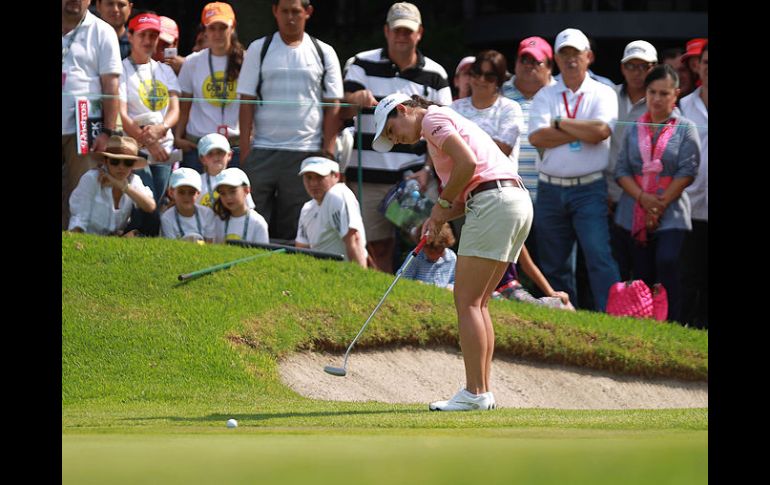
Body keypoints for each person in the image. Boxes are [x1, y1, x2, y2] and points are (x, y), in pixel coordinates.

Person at [372, 93, 533, 411]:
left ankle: (474, 392)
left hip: (494, 202)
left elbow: (468, 165)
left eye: (392, 131)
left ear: (403, 110)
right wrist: (438, 217)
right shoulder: (439, 131)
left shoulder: (432, 119)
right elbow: (463, 188)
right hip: (511, 201)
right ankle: (482, 391)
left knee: (467, 301)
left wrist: (441, 206)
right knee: (480, 303)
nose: (398, 140)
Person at [342, 2, 452, 273]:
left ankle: (430, 297)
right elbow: (340, 110)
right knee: (376, 248)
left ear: (419, 33)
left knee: (431, 242)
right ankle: (382, 303)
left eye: (408, 31)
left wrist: (428, 170)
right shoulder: (361, 64)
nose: (402, 36)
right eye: (397, 30)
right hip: (367, 178)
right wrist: (353, 99)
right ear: (386, 31)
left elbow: (446, 129)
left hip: (413, 178)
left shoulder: (436, 75)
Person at [528, 27, 620, 312]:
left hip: (589, 188)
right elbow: (537, 137)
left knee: (598, 256)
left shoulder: (603, 92)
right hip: (550, 187)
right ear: (556, 58)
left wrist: (558, 122)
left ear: (588, 56)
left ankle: (613, 316)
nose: (570, 60)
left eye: (576, 54)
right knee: (555, 262)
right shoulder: (546, 94)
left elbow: (602, 131)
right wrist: (583, 129)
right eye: (564, 54)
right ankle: (566, 319)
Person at [237, 0, 344, 243]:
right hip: (262, 150)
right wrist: (245, 151)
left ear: (308, 12)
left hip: (305, 151)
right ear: (275, 11)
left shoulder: (323, 51)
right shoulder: (259, 48)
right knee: (251, 220)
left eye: (296, 11)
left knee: (296, 228)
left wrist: (327, 151)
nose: (290, 17)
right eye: (284, 11)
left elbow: (333, 105)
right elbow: (246, 100)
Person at [613, 64, 700, 323]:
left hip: (671, 210)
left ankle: (672, 320)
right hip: (633, 210)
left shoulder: (686, 127)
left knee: (667, 262)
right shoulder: (633, 126)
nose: (657, 99)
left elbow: (688, 170)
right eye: (652, 92)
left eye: (664, 93)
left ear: (676, 94)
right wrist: (643, 199)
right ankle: (644, 318)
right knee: (641, 271)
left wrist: (658, 204)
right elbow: (621, 170)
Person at [62, 0, 122, 230]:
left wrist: (107, 132)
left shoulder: (103, 31)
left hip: (84, 128)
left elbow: (111, 86)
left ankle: (76, 244)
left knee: (81, 190)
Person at [606, 40, 658, 282]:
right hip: (608, 196)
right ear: (622, 68)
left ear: (654, 68)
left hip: (645, 200)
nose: (637, 72)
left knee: (642, 266)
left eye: (644, 66)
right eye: (632, 66)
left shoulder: (661, 102)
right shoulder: (608, 96)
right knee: (611, 261)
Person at [118, 12, 180, 209]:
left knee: (158, 203)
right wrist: (149, 142)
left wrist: (161, 128)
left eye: (153, 36)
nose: (148, 40)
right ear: (130, 36)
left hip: (164, 149)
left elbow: (174, 109)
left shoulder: (165, 70)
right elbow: (122, 114)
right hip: (136, 150)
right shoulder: (121, 70)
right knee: (145, 205)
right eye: (142, 35)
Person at [175, 2, 244, 173]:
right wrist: (178, 136)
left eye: (223, 27)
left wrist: (252, 136)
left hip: (234, 147)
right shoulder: (192, 62)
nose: (218, 33)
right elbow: (185, 104)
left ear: (232, 27)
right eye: (212, 28)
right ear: (205, 30)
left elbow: (253, 104)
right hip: (198, 145)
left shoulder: (247, 60)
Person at [501, 36, 556, 203]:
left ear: (549, 67)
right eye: (524, 59)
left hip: (551, 198)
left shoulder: (561, 95)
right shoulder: (497, 93)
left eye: (536, 61)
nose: (528, 65)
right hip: (507, 197)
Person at [68, 135, 156, 235]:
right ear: (106, 161)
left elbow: (150, 206)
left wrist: (124, 186)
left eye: (128, 162)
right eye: (115, 161)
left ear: (133, 165)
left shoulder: (134, 180)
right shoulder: (92, 178)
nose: (121, 167)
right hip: (90, 236)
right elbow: (79, 219)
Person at [450, 51, 524, 167]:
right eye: (477, 73)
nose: (481, 79)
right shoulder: (454, 108)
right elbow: (444, 148)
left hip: (497, 182)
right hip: (460, 181)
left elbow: (501, 151)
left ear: (499, 81)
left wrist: (460, 145)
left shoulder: (510, 109)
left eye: (489, 76)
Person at [678, 42, 708, 328]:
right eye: (706, 62)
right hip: (690, 208)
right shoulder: (684, 105)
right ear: (698, 66)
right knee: (689, 276)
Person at [295, 157, 368, 267]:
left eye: (320, 177)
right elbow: (301, 249)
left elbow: (354, 240)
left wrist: (361, 279)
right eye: (308, 177)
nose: (313, 183)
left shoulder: (338, 194)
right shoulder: (307, 209)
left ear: (336, 176)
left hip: (344, 275)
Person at [493, 246, 573, 311]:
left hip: (510, 289)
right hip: (488, 292)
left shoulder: (511, 232)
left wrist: (551, 292)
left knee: (564, 305)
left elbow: (528, 266)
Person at [195, 133, 256, 210]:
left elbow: (248, 208)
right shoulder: (197, 182)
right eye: (210, 154)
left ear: (229, 155)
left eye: (220, 153)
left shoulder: (237, 177)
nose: (216, 157)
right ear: (202, 159)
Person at [212, 168, 270, 244]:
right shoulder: (217, 220)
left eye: (232, 191)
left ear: (246, 190)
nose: (228, 197)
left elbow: (263, 254)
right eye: (223, 193)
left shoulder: (258, 223)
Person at [160, 168, 217, 242]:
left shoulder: (207, 214)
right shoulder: (167, 218)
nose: (186, 197)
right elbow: (171, 247)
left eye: (191, 193)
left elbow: (210, 243)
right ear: (171, 192)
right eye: (181, 192)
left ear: (198, 194)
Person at [402, 222, 456, 290]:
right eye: (431, 253)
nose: (438, 255)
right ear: (423, 247)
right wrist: (414, 284)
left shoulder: (451, 258)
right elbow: (403, 278)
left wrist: (450, 287)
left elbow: (454, 281)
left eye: (441, 251)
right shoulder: (416, 256)